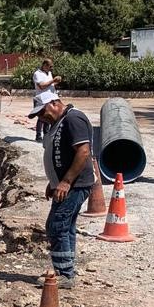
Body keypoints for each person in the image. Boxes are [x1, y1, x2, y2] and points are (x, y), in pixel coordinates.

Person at [28, 88, 95, 288]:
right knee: (65, 226)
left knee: (57, 225)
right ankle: (66, 269)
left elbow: (83, 152)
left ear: (54, 103)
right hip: (66, 184)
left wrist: (65, 182)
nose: (41, 117)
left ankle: (64, 274)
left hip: (76, 185)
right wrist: (54, 181)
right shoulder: (58, 123)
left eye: (42, 112)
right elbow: (60, 155)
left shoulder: (73, 119)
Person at [32, 59, 62, 143]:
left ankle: (46, 135)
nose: (51, 68)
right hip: (42, 98)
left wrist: (56, 82)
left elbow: (49, 85)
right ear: (44, 65)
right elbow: (41, 86)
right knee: (42, 117)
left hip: (50, 98)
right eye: (50, 66)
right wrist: (53, 80)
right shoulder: (37, 74)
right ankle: (38, 136)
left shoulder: (49, 73)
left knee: (49, 117)